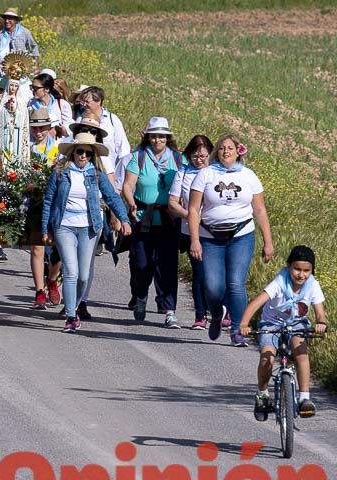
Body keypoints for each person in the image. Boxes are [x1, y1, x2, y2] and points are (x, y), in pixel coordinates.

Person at [187, 134, 275, 346]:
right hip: (210, 237)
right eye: (222, 148)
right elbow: (193, 209)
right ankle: (216, 313)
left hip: (241, 235)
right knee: (212, 286)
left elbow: (260, 210)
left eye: (230, 148)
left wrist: (268, 241)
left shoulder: (248, 176)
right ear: (217, 152)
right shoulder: (206, 174)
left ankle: (237, 329)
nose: (226, 151)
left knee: (236, 283)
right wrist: (195, 240)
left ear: (238, 152)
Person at [41, 133, 132, 332]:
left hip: (89, 228)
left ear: (93, 155)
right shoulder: (59, 173)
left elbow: (112, 197)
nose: (83, 156)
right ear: (73, 152)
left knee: (84, 275)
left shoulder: (96, 175)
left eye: (88, 153)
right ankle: (71, 316)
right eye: (80, 151)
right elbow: (48, 201)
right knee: (71, 272)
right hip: (64, 226)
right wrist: (46, 229)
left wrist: (124, 219)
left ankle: (74, 306)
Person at [239, 245, 328, 419]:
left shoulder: (313, 285)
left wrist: (321, 323)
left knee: (301, 352)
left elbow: (320, 312)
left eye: (306, 270)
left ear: (311, 271)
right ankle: (262, 394)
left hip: (297, 323)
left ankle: (304, 398)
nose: (301, 275)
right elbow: (256, 303)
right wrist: (244, 324)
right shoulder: (280, 282)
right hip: (271, 323)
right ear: (288, 266)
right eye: (297, 269)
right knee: (267, 358)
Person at [122, 117, 183, 328]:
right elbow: (128, 185)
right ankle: (140, 296)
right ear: (147, 137)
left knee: (167, 266)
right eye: (154, 136)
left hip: (168, 220)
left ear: (168, 138)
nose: (157, 140)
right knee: (142, 264)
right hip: (143, 218)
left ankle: (170, 310)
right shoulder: (138, 157)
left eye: (162, 136)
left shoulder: (177, 159)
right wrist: (130, 204)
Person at [167, 134, 214, 331]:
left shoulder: (216, 173)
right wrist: (191, 216)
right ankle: (200, 315)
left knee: (212, 274)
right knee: (199, 273)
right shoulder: (183, 173)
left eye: (203, 155)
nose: (199, 159)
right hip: (187, 231)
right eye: (195, 156)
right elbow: (172, 203)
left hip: (212, 232)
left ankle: (220, 311)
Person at [26, 108, 61, 309]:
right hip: (35, 202)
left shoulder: (59, 149)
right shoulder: (26, 148)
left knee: (59, 248)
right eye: (35, 128)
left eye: (42, 128)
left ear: (49, 128)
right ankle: (39, 290)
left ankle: (52, 279)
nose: (38, 132)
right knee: (37, 247)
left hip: (55, 203)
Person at [29, 73, 72, 137]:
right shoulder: (30, 105)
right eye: (31, 87)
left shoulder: (62, 104)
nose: (33, 90)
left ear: (46, 89)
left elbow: (68, 129)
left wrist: (58, 127)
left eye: (36, 88)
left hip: (56, 143)